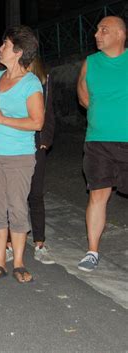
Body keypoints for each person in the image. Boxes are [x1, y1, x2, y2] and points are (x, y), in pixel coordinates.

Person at [0, 26, 44, 284]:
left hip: (19, 156)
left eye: (4, 45)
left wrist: (4, 119)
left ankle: (18, 263)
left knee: (17, 208)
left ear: (18, 52)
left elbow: (37, 122)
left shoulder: (31, 83)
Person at [76, 16, 128, 272]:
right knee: (98, 195)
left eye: (103, 30)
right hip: (97, 140)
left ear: (120, 34)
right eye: (97, 29)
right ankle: (92, 251)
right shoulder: (91, 62)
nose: (97, 34)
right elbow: (83, 94)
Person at [28, 56, 56, 264]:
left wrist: (46, 139)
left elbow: (49, 112)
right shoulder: (6, 76)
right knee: (13, 196)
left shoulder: (44, 79)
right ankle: (9, 244)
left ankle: (40, 243)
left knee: (36, 193)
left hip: (36, 142)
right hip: (13, 140)